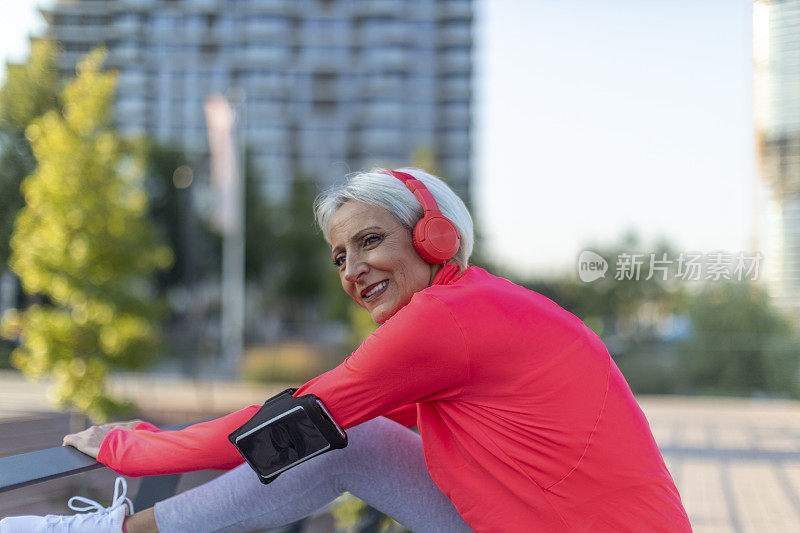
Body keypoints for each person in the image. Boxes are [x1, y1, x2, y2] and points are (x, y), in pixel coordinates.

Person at [0, 168, 692, 533]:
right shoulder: (471, 306)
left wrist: (129, 446)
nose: (352, 268)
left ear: (435, 237)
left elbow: (282, 425)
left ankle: (111, 531)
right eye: (339, 254)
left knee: (334, 436)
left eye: (369, 240)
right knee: (346, 438)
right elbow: (312, 421)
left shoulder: (447, 320)